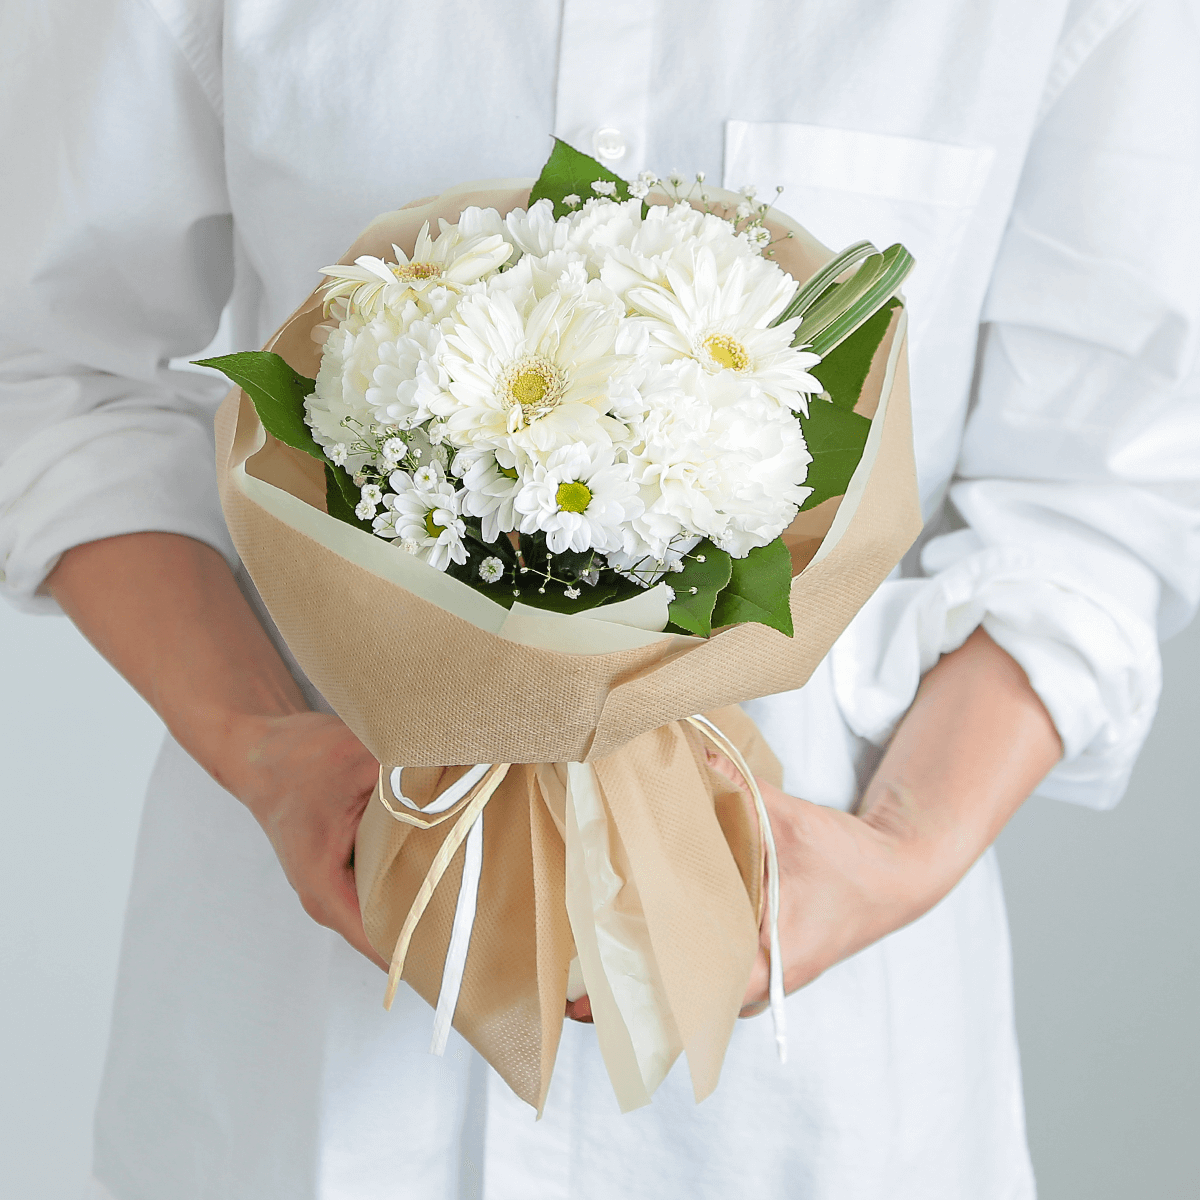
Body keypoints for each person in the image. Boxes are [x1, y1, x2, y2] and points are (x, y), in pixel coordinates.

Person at [1, 1, 1197, 1196]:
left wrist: (902, 848)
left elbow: (1111, 476)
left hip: (818, 1069)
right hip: (303, 995)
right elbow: (55, 367)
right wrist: (258, 741)